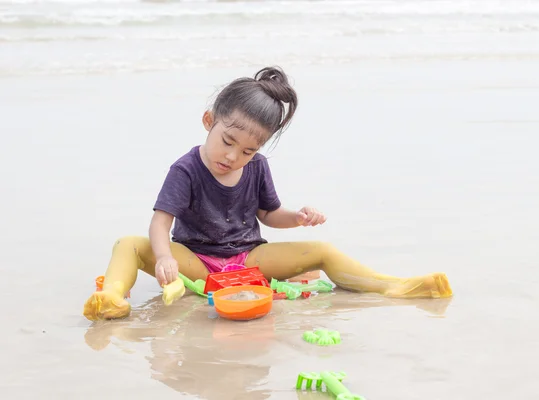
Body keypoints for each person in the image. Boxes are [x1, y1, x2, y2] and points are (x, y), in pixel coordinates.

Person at [83, 66, 452, 321]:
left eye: (247, 150)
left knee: (322, 250)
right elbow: (160, 223)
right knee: (128, 243)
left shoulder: (257, 167)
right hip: (196, 262)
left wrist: (298, 218)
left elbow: (268, 215)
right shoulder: (186, 169)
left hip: (249, 262)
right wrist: (164, 258)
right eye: (228, 141)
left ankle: (393, 286)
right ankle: (114, 297)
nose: (233, 156)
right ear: (209, 121)